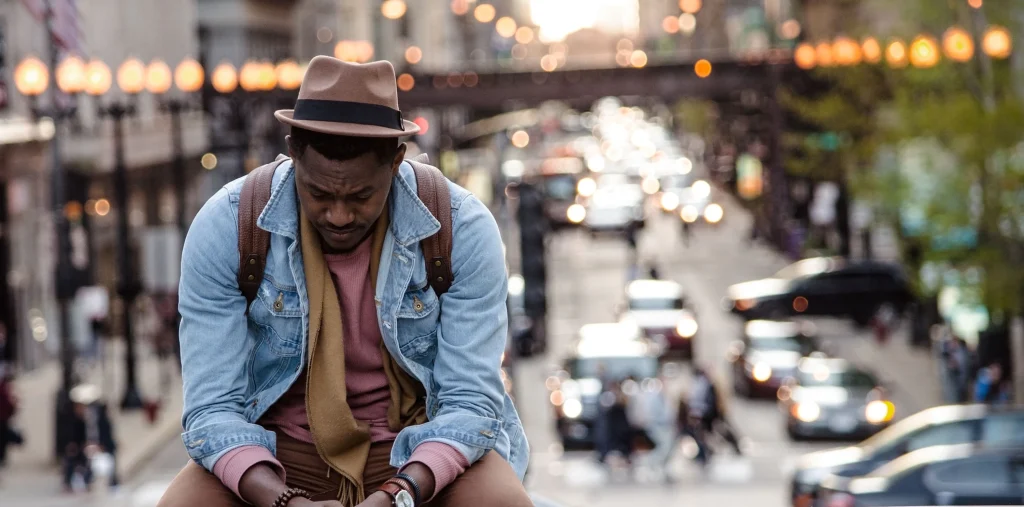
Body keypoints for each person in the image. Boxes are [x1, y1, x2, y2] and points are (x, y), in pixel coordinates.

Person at [159, 56, 529, 507]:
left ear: (396, 162)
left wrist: (400, 493)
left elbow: (470, 403)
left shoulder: (461, 227)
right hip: (274, 452)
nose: (338, 215)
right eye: (318, 193)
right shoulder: (228, 225)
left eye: (360, 196)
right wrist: (283, 500)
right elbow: (211, 409)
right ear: (293, 152)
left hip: (417, 445)